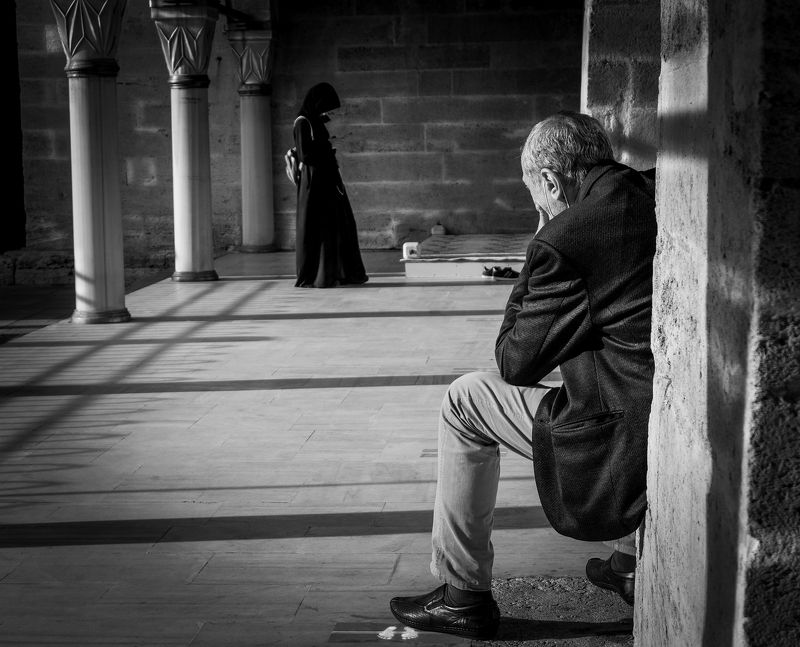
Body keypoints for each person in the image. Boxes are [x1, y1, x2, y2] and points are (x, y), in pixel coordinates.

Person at [388, 111, 656, 640]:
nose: (542, 209)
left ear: (553, 180)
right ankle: (626, 562)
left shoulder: (565, 239)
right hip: (650, 395)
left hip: (620, 435)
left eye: (539, 197)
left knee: (464, 399)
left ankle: (462, 594)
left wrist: (541, 241)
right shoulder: (646, 188)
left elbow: (515, 361)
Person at [286, 82, 368, 288]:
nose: (326, 111)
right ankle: (319, 275)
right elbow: (306, 155)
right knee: (319, 226)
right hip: (315, 182)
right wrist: (328, 154)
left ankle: (338, 273)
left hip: (326, 179)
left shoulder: (315, 121)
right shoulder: (302, 122)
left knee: (338, 224)